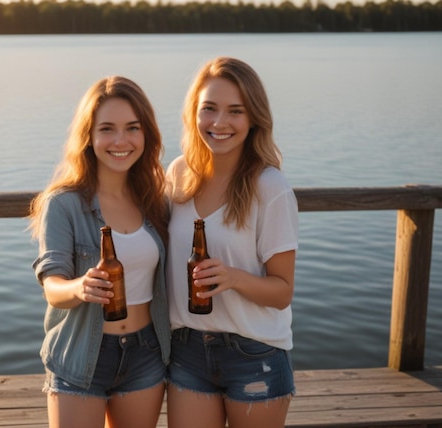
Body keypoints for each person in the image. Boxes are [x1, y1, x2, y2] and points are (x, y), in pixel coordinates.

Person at [28, 76, 170, 428]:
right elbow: (52, 286)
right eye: (107, 129)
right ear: (89, 137)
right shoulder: (63, 204)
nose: (120, 141)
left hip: (146, 354)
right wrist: (78, 287)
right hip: (81, 355)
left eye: (132, 128)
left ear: (145, 135)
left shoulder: (156, 201)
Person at [165, 57, 299, 428]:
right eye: (209, 108)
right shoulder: (177, 174)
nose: (219, 123)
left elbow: (282, 292)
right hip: (187, 349)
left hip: (254, 352)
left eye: (235, 111)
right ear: (194, 113)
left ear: (253, 118)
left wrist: (233, 278)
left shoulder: (270, 188)